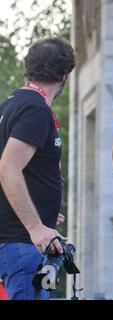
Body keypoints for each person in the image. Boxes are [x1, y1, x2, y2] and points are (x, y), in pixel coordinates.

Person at [0, 38, 75, 300]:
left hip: (17, 243)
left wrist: (43, 210)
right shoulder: (35, 109)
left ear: (28, 69)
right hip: (22, 245)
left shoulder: (11, 104)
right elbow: (8, 168)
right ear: (65, 75)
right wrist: (35, 226)